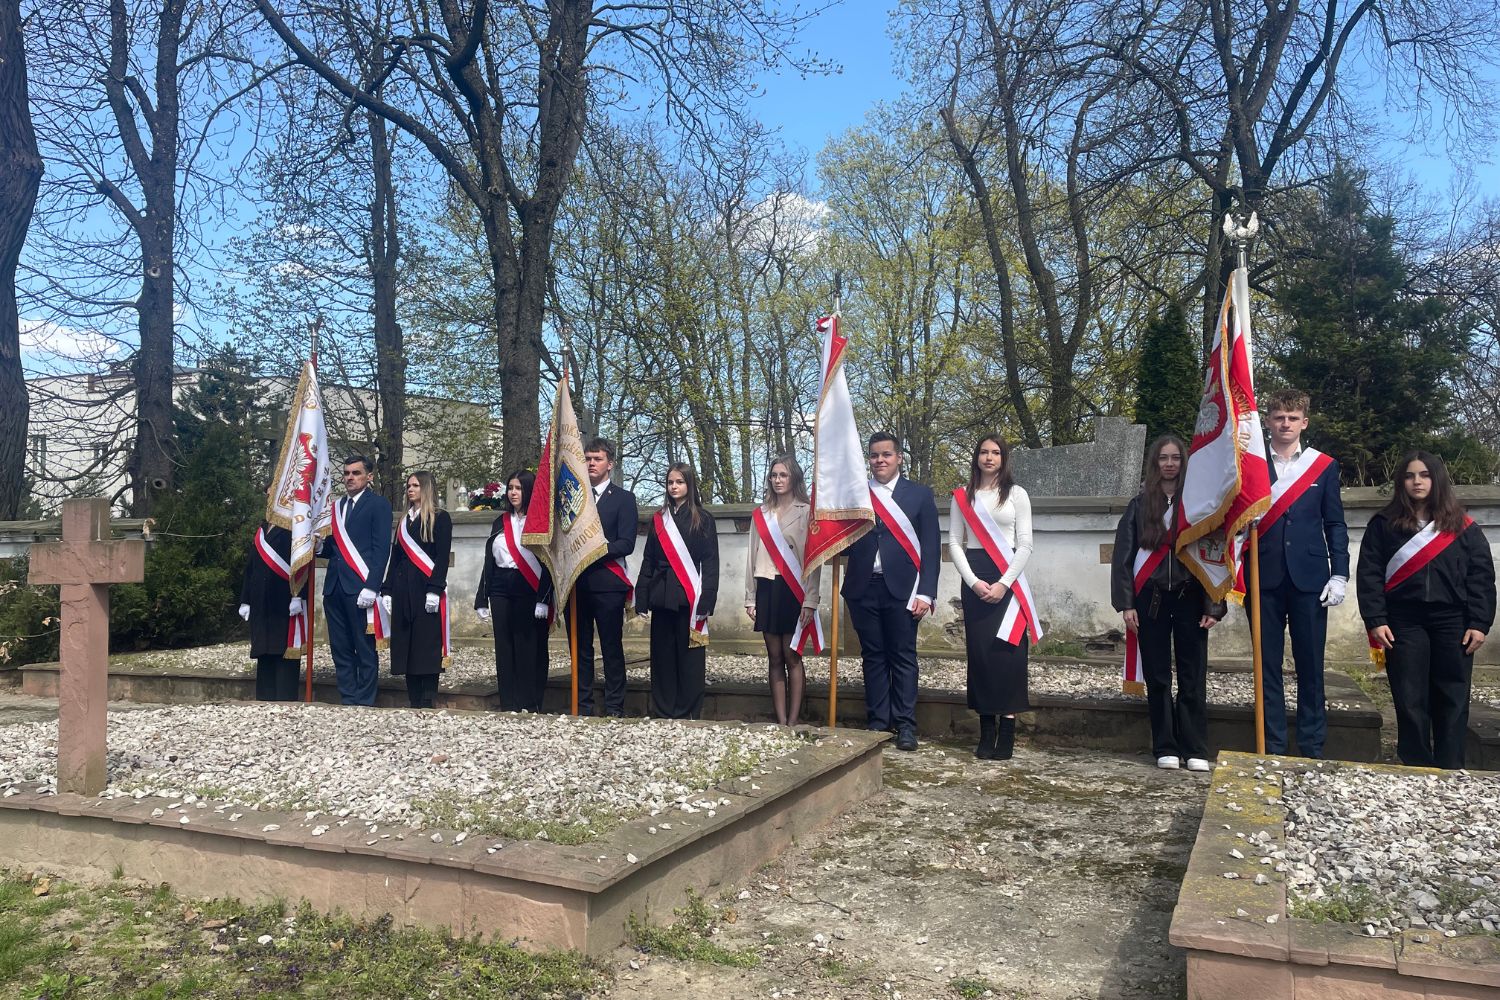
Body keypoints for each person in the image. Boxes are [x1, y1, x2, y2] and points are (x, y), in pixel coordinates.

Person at [1357, 451, 1494, 769]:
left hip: (1453, 620)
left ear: (1437, 479)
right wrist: (1376, 620)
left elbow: (1481, 577)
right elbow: (1369, 574)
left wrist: (1480, 622)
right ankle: (1416, 761)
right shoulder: (1384, 525)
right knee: (1409, 694)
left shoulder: (1463, 527)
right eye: (1409, 475)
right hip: (1403, 620)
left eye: (1424, 475)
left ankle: (1450, 763)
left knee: (1452, 694)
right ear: (1400, 482)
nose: (1417, 481)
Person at [1110, 435, 1226, 771]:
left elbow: (1212, 557)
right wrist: (1127, 604)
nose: (1170, 464)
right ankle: (1165, 745)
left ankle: (1195, 748)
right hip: (1151, 599)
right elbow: (1123, 557)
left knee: (1193, 675)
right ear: (1155, 463)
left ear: (1184, 462)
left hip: (1191, 598)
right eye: (1164, 458)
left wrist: (1213, 605)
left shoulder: (1200, 505)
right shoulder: (1139, 504)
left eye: (1176, 458)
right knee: (1159, 677)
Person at [1251, 389, 1349, 759]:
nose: (1285, 424)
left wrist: (1340, 574)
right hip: (1264, 576)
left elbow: (1335, 523)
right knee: (1267, 668)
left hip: (1310, 579)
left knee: (1311, 666)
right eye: (1279, 417)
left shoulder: (1323, 466)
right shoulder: (1254, 464)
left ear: (1304, 422)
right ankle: (1272, 745)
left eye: (1292, 418)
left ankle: (1311, 746)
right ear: (1269, 421)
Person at [841, 432, 941, 751]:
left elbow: (931, 548)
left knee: (903, 656)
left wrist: (926, 592)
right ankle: (878, 722)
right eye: (874, 455)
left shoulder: (920, 495)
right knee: (872, 656)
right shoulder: (856, 494)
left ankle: (906, 725)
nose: (879, 460)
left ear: (899, 457)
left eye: (886, 454)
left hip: (903, 590)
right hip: (863, 586)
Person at [949, 435, 1038, 760]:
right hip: (976, 578)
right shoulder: (963, 497)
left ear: (1004, 458)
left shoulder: (1017, 494)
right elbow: (955, 543)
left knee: (1009, 655)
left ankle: (1008, 729)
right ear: (976, 457)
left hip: (1009, 580)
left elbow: (1025, 544)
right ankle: (987, 729)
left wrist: (1003, 583)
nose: (989, 457)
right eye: (984, 452)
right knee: (982, 656)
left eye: (995, 452)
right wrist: (973, 582)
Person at [635, 463, 719, 719]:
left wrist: (707, 599)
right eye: (670, 482)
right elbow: (648, 559)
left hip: (689, 596)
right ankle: (664, 708)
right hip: (661, 593)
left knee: (689, 656)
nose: (674, 487)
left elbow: (711, 562)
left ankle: (688, 709)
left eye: (679, 482)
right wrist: (642, 595)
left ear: (689, 485)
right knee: (662, 655)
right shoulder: (660, 519)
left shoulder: (703, 518)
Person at [744, 456, 821, 726]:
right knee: (774, 656)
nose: (777, 480)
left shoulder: (806, 512)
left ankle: (793, 719)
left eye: (783, 475)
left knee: (792, 655)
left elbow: (813, 559)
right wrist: (750, 596)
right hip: (766, 586)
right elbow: (751, 556)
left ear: (794, 479)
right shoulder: (760, 514)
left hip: (793, 589)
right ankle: (780, 722)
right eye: (774, 475)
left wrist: (810, 600)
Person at [567, 438, 638, 716]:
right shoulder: (573, 498)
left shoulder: (623, 499)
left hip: (608, 585)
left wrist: (595, 551)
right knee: (580, 647)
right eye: (587, 458)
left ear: (610, 463)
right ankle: (583, 705)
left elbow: (626, 543)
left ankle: (614, 706)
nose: (591, 463)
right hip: (577, 584)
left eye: (597, 459)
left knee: (610, 646)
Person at [475, 469, 553, 712]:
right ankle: (508, 701)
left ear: (529, 491)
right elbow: (489, 560)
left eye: (518, 488)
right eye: (510, 488)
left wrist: (544, 598)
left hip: (530, 587)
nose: (513, 493)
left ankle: (530, 702)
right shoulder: (501, 521)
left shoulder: (540, 521)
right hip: (500, 586)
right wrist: (481, 598)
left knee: (528, 645)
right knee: (504, 645)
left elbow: (549, 563)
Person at [322, 455, 393, 706]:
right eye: (347, 473)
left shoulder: (378, 505)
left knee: (363, 646)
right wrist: (320, 546)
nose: (350, 478)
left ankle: (365, 699)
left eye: (356, 473)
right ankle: (348, 696)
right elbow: (333, 549)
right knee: (340, 647)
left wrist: (372, 586)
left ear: (369, 477)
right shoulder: (336, 507)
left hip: (360, 587)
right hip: (334, 586)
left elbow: (381, 548)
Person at [382, 470, 453, 709]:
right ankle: (413, 695)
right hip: (403, 588)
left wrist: (435, 588)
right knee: (407, 642)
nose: (410, 490)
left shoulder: (440, 518)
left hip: (425, 588)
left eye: (415, 485)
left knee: (426, 643)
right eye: (408, 486)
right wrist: (387, 589)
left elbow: (442, 558)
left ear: (426, 488)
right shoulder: (404, 521)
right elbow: (396, 557)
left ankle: (427, 696)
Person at [239, 493, 309, 701]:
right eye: (269, 495)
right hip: (261, 599)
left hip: (284, 598)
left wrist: (299, 595)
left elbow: (302, 564)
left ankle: (285, 697)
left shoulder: (293, 527)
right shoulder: (261, 529)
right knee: (263, 648)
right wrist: (245, 598)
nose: (271, 499)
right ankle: (265, 696)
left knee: (283, 648)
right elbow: (251, 567)